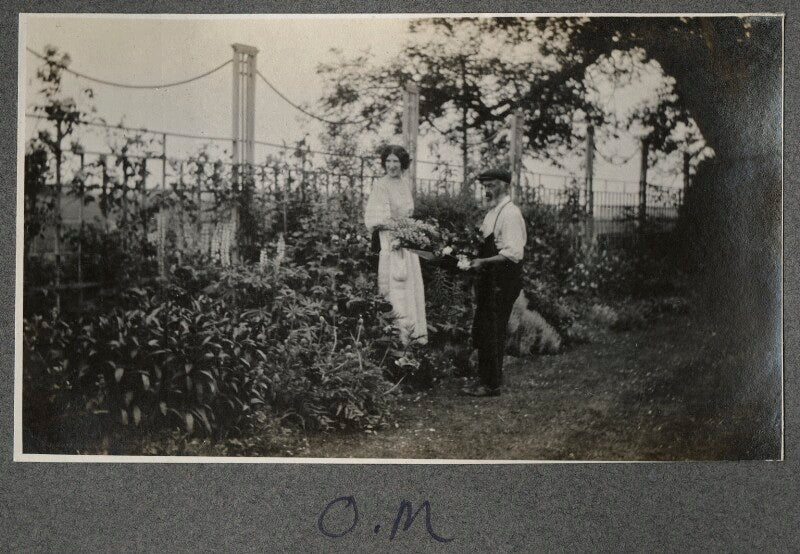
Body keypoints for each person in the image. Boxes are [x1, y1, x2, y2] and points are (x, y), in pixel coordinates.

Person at [464, 169, 527, 397]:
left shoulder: (510, 214)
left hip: (503, 279)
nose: (487, 190)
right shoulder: (493, 213)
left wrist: (483, 262)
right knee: (484, 328)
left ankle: (491, 384)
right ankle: (486, 379)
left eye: (491, 185)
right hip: (490, 278)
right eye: (485, 186)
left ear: (504, 186)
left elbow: (513, 253)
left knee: (493, 329)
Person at [363, 145, 428, 345]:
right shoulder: (381, 185)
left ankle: (413, 336)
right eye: (388, 161)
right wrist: (399, 230)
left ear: (403, 164)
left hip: (406, 242)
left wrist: (409, 232)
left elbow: (408, 213)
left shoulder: (403, 183)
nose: (391, 165)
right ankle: (396, 338)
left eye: (396, 161)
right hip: (390, 242)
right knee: (395, 287)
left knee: (410, 287)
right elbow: (375, 219)